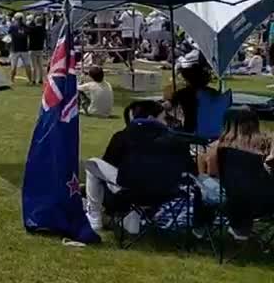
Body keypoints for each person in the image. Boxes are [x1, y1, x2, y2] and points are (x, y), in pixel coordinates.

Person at [83, 100, 186, 233]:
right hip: (167, 191)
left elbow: (109, 163)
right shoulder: (173, 140)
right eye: (164, 118)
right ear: (150, 118)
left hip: (131, 190)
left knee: (93, 164)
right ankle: (128, 218)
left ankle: (94, 216)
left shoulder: (123, 136)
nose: (166, 122)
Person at [196, 108, 272, 240]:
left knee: (202, 184)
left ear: (227, 124)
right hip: (267, 203)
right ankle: (241, 229)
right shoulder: (267, 144)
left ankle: (201, 228)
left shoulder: (219, 147)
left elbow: (213, 174)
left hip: (234, 203)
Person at [8, 14, 32, 84]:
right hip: (24, 48)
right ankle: (30, 80)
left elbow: (9, 33)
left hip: (15, 48)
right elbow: (28, 33)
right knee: (27, 65)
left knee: (13, 66)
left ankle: (12, 80)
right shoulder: (26, 27)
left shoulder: (12, 27)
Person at [27, 16, 47, 85]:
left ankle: (33, 80)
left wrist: (32, 21)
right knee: (41, 66)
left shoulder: (32, 29)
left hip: (32, 49)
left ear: (36, 21)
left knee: (34, 66)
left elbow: (28, 28)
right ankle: (41, 79)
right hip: (40, 48)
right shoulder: (43, 29)